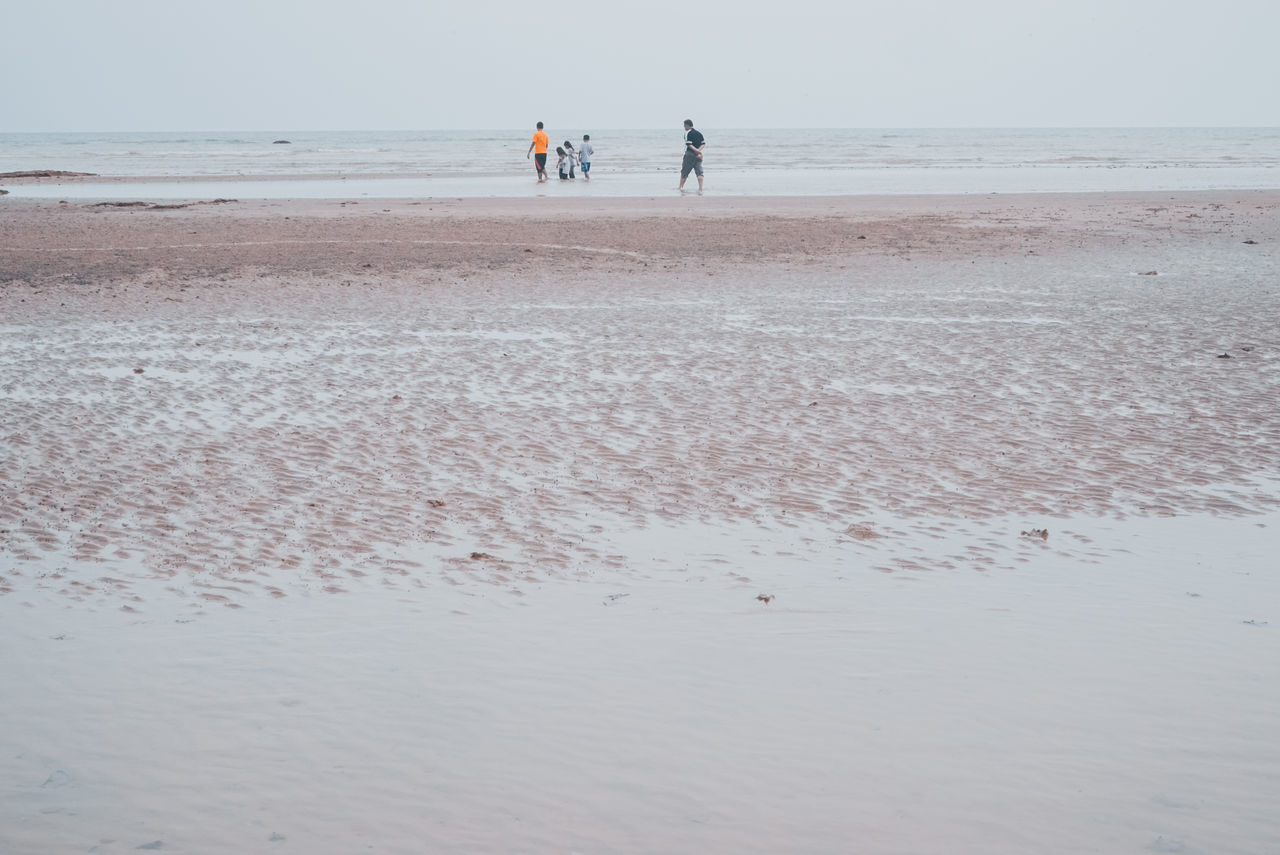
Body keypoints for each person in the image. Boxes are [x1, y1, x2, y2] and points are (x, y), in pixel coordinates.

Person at [678, 119, 705, 192]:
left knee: (684, 172)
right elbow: (703, 144)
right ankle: (700, 188)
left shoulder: (687, 133)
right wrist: (699, 151)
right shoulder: (699, 133)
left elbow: (689, 144)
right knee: (699, 172)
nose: (684, 127)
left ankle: (680, 188)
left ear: (687, 125)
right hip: (698, 155)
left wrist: (696, 151)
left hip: (689, 154)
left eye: (684, 125)